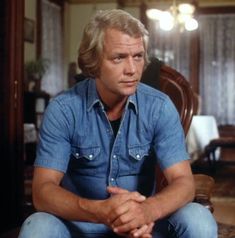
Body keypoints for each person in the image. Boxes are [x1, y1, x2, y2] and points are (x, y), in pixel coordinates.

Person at [18, 9, 217, 238]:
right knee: (37, 226)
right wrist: (99, 211)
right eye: (118, 57)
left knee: (199, 219)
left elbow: (184, 182)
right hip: (81, 225)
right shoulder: (63, 110)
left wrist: (148, 210)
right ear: (94, 62)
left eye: (138, 56)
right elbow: (42, 191)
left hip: (146, 225)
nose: (132, 69)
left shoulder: (159, 107)